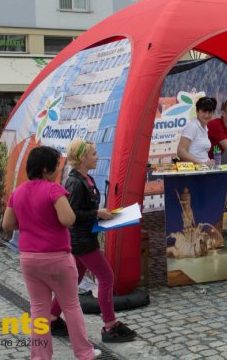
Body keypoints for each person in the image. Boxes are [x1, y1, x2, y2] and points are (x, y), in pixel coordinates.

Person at [2, 146, 99, 360]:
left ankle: (40, 356)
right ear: (46, 170)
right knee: (71, 306)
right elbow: (68, 219)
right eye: (56, 166)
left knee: (38, 310)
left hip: (29, 258)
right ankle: (84, 353)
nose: (58, 170)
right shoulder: (54, 190)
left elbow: (7, 223)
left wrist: (30, 224)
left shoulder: (18, 192)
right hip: (56, 257)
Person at [49, 139, 137, 343]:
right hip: (82, 240)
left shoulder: (86, 178)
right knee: (106, 277)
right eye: (94, 154)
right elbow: (72, 214)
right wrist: (96, 214)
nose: (97, 157)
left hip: (86, 236)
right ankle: (110, 325)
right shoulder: (75, 182)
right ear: (82, 158)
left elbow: (84, 211)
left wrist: (101, 215)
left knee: (73, 281)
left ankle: (52, 317)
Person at [177, 96, 217, 165]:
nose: (207, 115)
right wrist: (202, 164)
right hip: (194, 171)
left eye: (210, 112)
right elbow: (181, 152)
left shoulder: (205, 128)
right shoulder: (192, 126)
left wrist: (208, 163)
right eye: (204, 111)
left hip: (204, 169)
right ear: (197, 111)